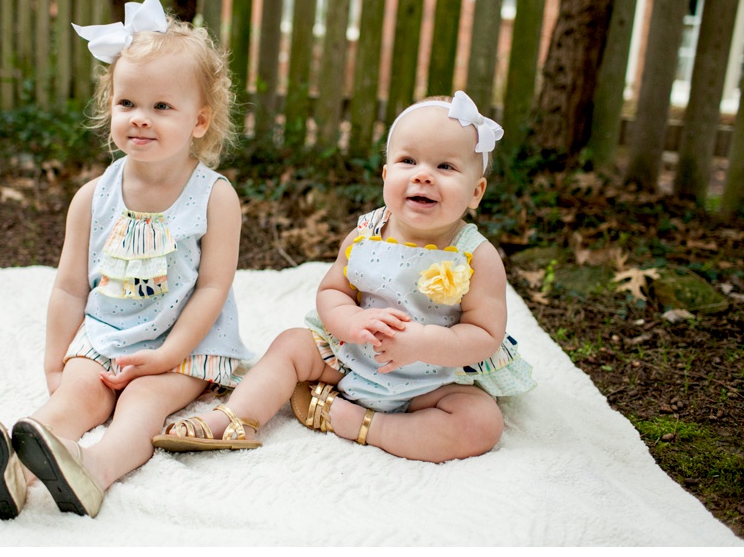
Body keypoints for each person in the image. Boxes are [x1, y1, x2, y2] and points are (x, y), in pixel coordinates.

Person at [0, 0, 250, 519]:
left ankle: (94, 470)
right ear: (109, 107)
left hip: (181, 343)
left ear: (200, 121)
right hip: (106, 335)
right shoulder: (94, 197)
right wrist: (57, 361)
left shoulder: (215, 197)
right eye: (127, 104)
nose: (141, 118)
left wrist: (165, 355)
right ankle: (13, 473)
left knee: (142, 405)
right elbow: (71, 287)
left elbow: (212, 288)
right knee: (73, 398)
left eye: (162, 107)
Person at [153, 91, 535, 464]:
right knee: (292, 344)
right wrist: (351, 321)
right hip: (352, 358)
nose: (423, 176)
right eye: (408, 161)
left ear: (476, 191)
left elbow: (485, 336)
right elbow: (333, 290)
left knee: (481, 423)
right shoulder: (366, 233)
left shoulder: (476, 256)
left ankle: (359, 423)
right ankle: (234, 418)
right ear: (386, 174)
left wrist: (423, 342)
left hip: (433, 382)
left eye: (445, 167)